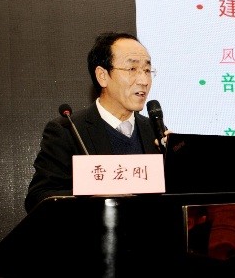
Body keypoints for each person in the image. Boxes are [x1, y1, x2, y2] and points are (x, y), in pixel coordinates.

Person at [25, 32, 162, 213]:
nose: (144, 80)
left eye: (147, 70)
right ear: (102, 75)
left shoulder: (154, 132)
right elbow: (38, 198)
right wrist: (92, 199)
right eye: (132, 69)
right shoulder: (68, 130)